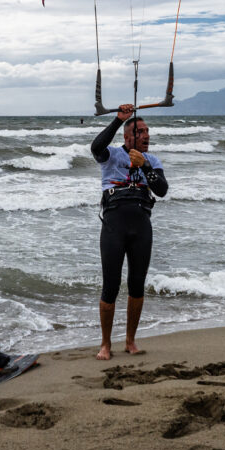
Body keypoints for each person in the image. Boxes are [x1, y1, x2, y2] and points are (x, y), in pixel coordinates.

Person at [90, 104, 168, 360]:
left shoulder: (152, 161)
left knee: (136, 285)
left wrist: (144, 166)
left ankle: (130, 341)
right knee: (111, 286)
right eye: (140, 131)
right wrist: (118, 120)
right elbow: (96, 147)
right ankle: (105, 344)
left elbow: (162, 190)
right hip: (114, 225)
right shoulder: (111, 155)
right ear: (127, 137)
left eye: (147, 131)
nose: (146, 135)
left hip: (141, 225)